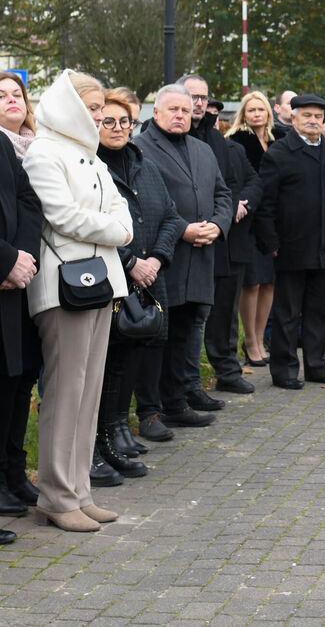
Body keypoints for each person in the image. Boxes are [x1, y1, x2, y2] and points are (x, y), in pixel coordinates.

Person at [24, 70, 135, 532]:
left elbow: (119, 208)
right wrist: (116, 230)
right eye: (90, 108)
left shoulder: (91, 158)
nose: (97, 116)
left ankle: (78, 490)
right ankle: (55, 494)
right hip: (64, 287)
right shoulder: (44, 153)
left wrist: (115, 225)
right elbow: (62, 216)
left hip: (100, 283)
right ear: (68, 108)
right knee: (65, 394)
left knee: (88, 393)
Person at [134, 83, 233, 432]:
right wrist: (184, 229)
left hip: (202, 257)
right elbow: (148, 203)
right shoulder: (140, 149)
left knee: (186, 333)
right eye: (172, 109)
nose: (180, 115)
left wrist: (218, 227)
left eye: (186, 110)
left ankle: (176, 403)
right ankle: (150, 410)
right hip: (165, 258)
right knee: (157, 336)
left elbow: (223, 194)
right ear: (156, 112)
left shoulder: (202, 149)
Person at [96, 91, 185, 472]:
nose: (118, 129)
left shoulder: (142, 163)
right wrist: (131, 262)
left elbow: (171, 216)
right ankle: (107, 431)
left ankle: (120, 426)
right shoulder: (94, 165)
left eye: (125, 122)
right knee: (110, 356)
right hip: (113, 274)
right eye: (108, 121)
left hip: (149, 275)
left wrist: (157, 259)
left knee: (138, 349)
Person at [254, 94, 325, 390]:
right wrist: (271, 241)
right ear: (294, 118)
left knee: (320, 311)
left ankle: (316, 365)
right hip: (291, 246)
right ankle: (284, 369)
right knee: (287, 312)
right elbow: (266, 203)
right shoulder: (280, 153)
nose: (313, 121)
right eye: (306, 115)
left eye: (317, 116)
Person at [179, 75, 261, 396]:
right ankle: (185, 386)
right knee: (190, 317)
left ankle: (225, 369)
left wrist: (236, 207)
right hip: (186, 239)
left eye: (203, 97)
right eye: (192, 97)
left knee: (224, 312)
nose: (198, 103)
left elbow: (239, 183)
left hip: (224, 240)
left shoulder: (223, 144)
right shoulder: (164, 138)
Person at [0, 71, 43, 520]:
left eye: (17, 93)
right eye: (0, 94)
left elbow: (30, 207)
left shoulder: (32, 148)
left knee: (21, 377)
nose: (12, 99)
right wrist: (6, 260)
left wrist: (23, 259)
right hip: (7, 277)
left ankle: (14, 472)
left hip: (24, 281)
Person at [226, 90, 276, 367]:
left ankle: (259, 338)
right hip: (250, 219)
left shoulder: (276, 138)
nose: (257, 114)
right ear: (243, 114)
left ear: (268, 112)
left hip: (273, 219)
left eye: (261, 109)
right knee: (253, 282)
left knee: (269, 281)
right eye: (251, 110)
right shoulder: (237, 141)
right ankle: (251, 342)